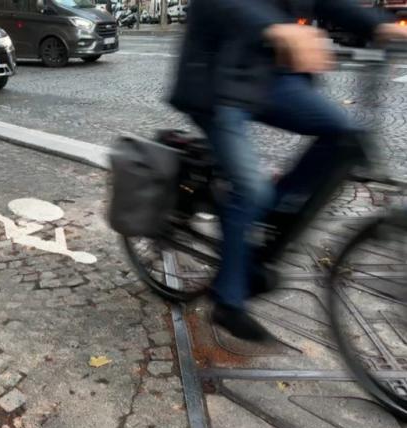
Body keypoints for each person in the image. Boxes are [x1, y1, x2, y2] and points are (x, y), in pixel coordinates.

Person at [171, 0, 407, 341]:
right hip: (217, 72)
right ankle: (228, 299)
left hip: (269, 72)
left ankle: (266, 221)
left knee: (345, 136)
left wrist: (379, 24)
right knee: (251, 188)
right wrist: (276, 27)